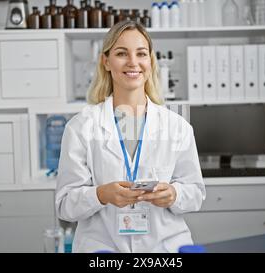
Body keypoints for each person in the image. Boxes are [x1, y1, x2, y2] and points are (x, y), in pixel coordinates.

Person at [55, 20, 205, 253]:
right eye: (122, 53)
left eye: (141, 53)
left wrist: (174, 194)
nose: (133, 62)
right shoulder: (81, 127)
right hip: (103, 248)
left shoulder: (177, 127)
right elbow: (65, 205)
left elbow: (195, 193)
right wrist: (100, 195)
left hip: (163, 247)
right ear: (106, 61)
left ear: (150, 61)